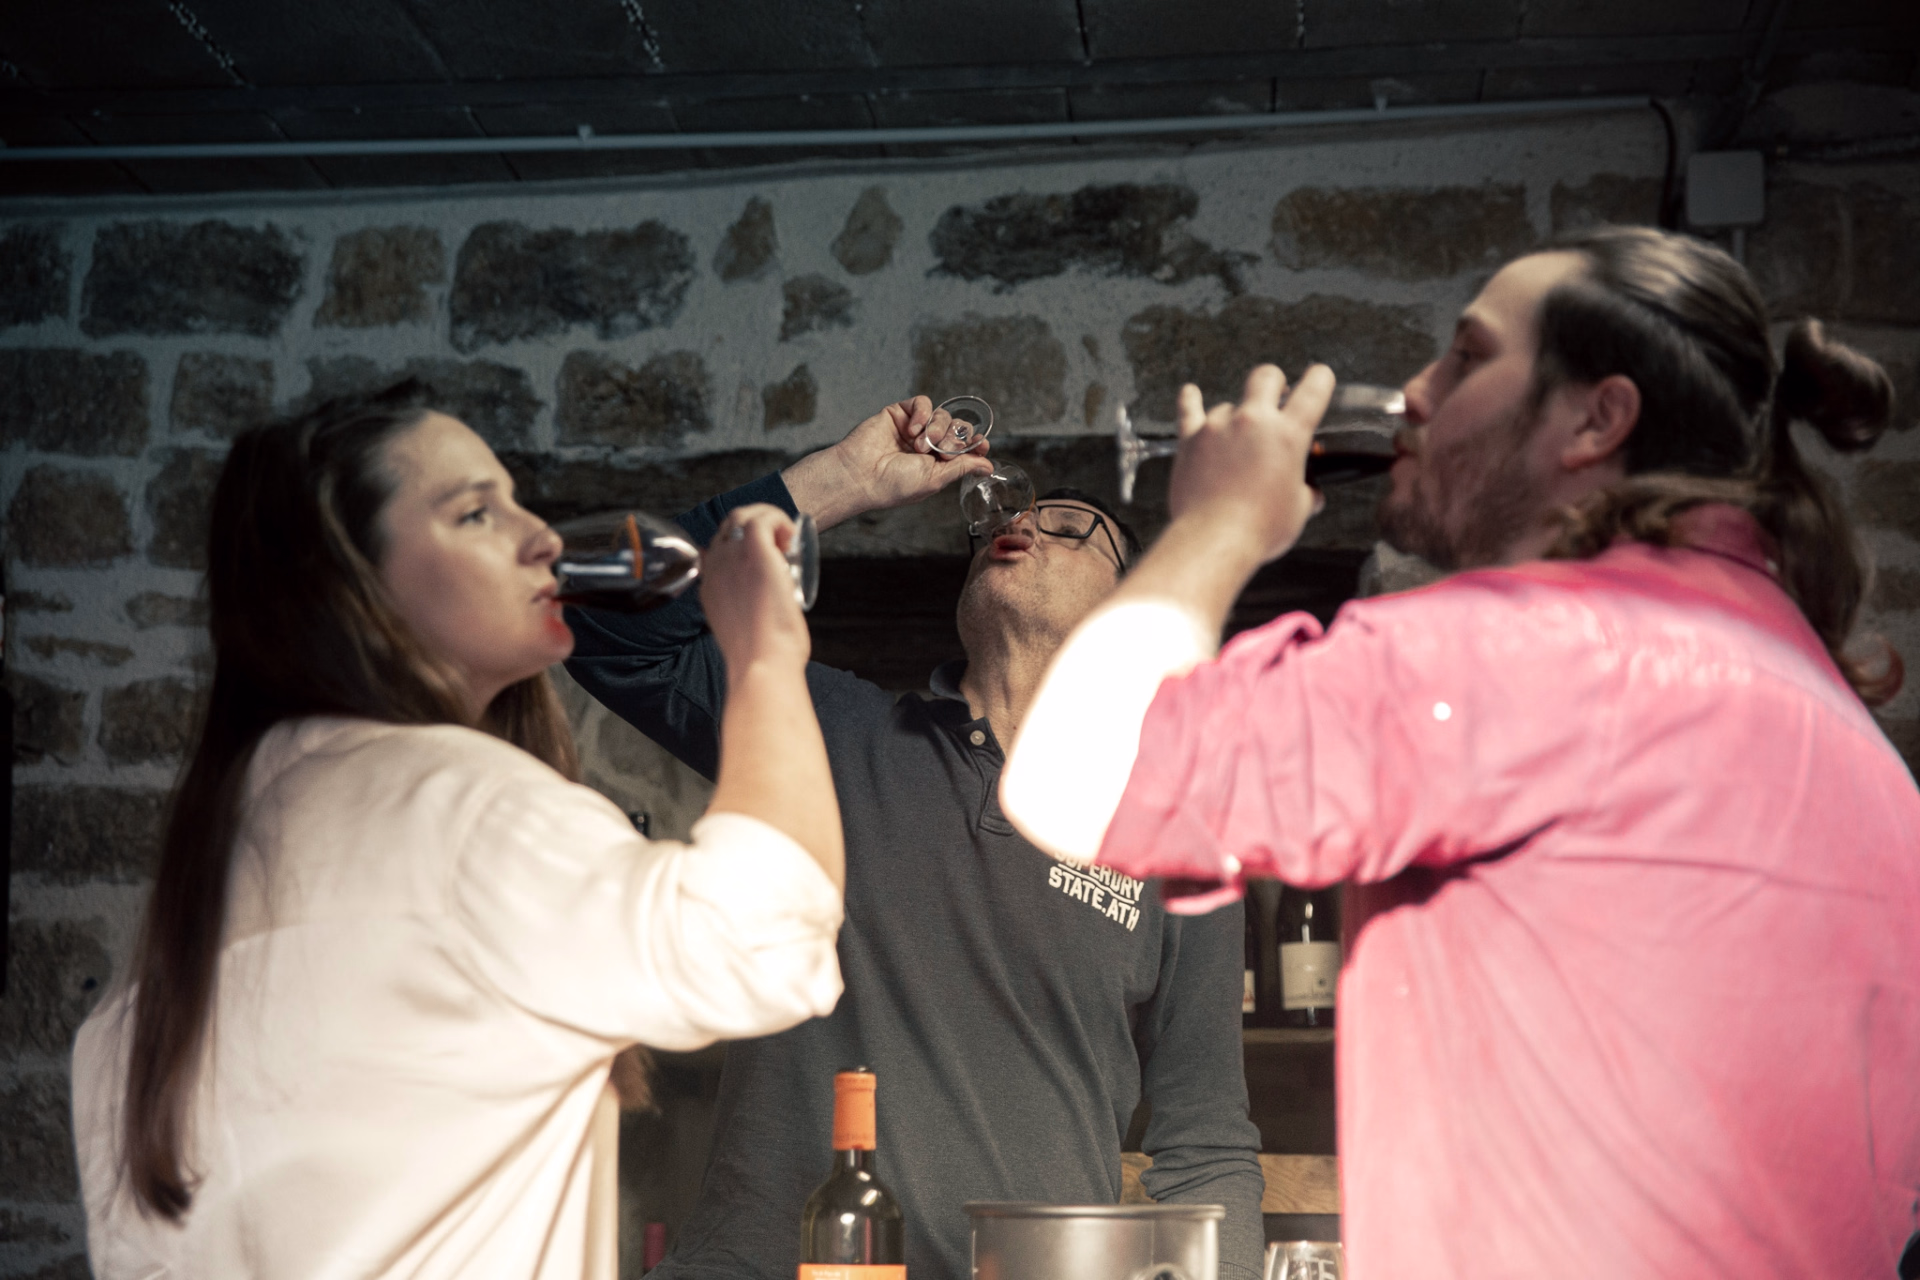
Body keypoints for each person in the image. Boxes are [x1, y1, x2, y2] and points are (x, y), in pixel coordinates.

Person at [1001, 226, 1920, 1278]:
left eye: (1469, 356)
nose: (1417, 391)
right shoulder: (1846, 729)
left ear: (1595, 416)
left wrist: (1219, 525)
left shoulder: (1522, 652)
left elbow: (1071, 774)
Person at [70, 384, 846, 1280]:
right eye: (476, 512)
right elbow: (766, 942)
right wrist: (763, 658)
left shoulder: (212, 871)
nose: (544, 538)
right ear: (345, 581)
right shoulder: (457, 807)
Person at [564, 402, 1266, 1280]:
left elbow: (1206, 1145)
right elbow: (597, 614)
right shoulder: (828, 726)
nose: (1018, 524)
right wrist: (842, 482)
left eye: (1071, 531)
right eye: (1011, 519)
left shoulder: (1183, 843)